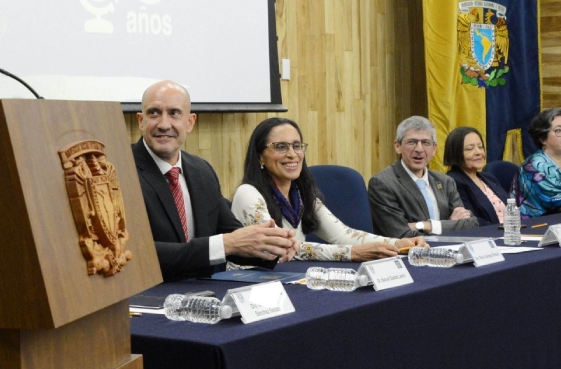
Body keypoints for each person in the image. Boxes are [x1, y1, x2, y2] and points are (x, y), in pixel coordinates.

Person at [133, 80, 298, 281]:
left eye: (174, 113)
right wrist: (225, 244)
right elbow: (135, 252)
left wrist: (270, 246)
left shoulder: (202, 171)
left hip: (206, 298)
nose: (164, 124)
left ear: (190, 122)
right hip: (148, 297)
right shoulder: (119, 171)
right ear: (141, 121)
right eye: (154, 113)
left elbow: (233, 237)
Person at [230, 118, 426, 261]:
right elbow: (281, 249)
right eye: (280, 147)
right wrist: (351, 254)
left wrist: (396, 243)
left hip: (290, 279)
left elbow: (343, 235)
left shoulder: (301, 193)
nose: (292, 154)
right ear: (260, 157)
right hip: (250, 288)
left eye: (297, 146)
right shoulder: (248, 193)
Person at [368, 116, 478, 238]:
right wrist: (450, 224)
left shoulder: (445, 181)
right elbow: (400, 233)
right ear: (397, 146)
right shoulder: (383, 183)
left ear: (434, 149)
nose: (419, 149)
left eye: (426, 143)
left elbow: (470, 224)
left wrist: (426, 226)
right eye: (412, 142)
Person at [443, 126, 511, 226]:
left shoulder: (489, 178)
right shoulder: (452, 181)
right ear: (456, 153)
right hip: (489, 235)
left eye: (480, 147)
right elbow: (471, 220)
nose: (478, 152)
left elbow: (512, 208)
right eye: (470, 149)